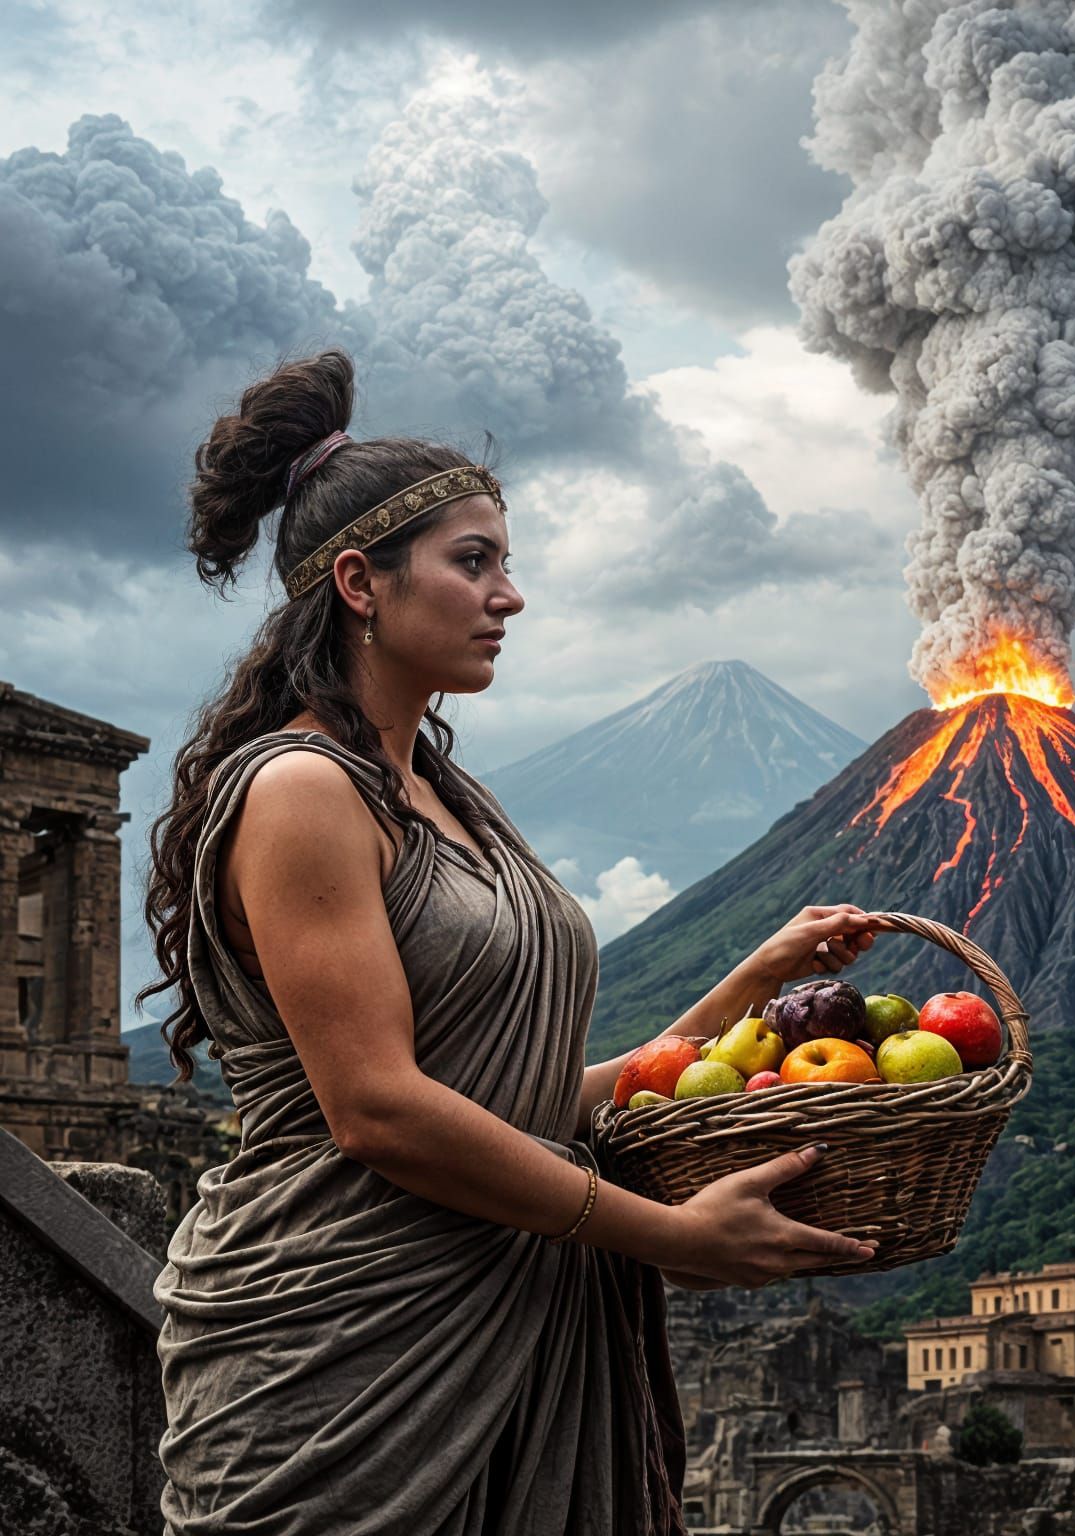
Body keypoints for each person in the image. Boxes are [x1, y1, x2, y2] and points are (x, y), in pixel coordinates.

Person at [138, 348, 882, 1535]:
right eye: (472, 562)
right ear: (359, 583)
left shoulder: (448, 798)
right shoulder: (301, 793)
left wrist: (751, 985)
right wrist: (671, 1234)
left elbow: (521, 1100)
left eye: (507, 564)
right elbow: (379, 1111)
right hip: (343, 1358)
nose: (509, 595)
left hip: (520, 1329)